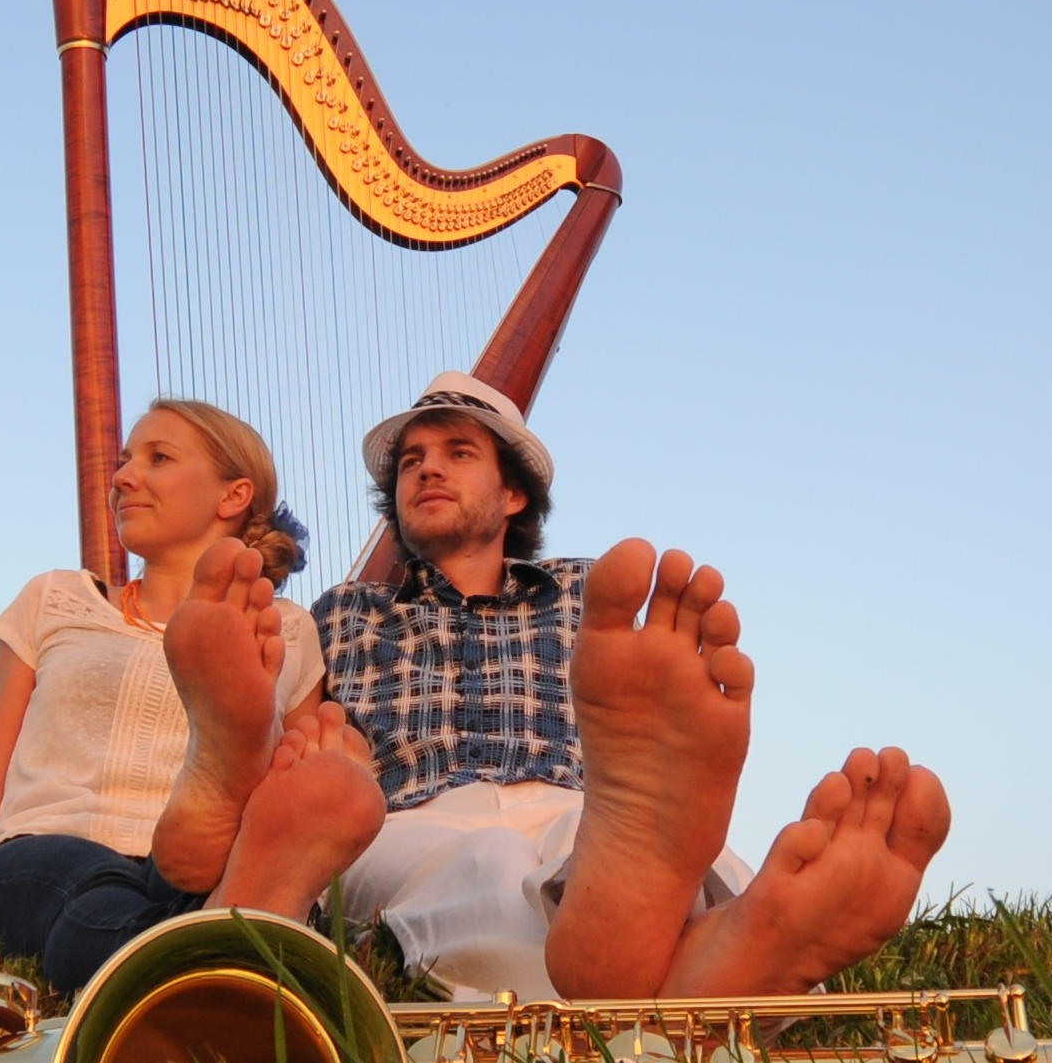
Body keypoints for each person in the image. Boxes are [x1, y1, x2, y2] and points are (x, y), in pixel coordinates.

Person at [314, 370, 947, 1002]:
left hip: (589, 809)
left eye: (459, 453)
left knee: (593, 851)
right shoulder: (344, 612)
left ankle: (641, 926)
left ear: (513, 494)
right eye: (411, 462)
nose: (427, 469)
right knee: (489, 863)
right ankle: (708, 961)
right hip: (413, 814)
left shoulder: (586, 594)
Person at [0, 398, 387, 992]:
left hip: (201, 873)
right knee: (98, 894)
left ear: (233, 495)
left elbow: (297, 795)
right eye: (123, 462)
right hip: (39, 856)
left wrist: (326, 769)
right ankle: (226, 936)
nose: (122, 477)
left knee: (225, 861)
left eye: (157, 458)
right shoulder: (56, 600)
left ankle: (213, 883)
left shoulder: (284, 630)